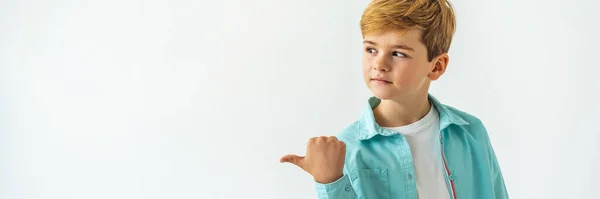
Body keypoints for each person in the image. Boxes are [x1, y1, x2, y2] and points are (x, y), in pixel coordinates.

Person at [280, 0, 509, 198]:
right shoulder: (346, 148)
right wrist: (329, 182)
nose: (379, 64)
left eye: (398, 53)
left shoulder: (471, 133)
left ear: (437, 66)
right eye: (371, 49)